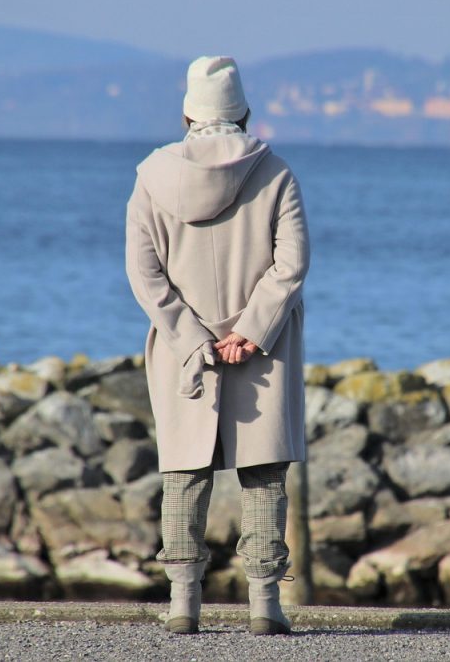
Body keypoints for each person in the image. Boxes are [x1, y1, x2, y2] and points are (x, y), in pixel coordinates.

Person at [124, 56, 310, 636]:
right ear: (245, 113)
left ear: (187, 115)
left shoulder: (152, 176)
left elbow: (145, 273)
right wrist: (250, 331)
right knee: (264, 473)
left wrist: (191, 336)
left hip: (186, 350)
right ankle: (265, 607)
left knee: (185, 473)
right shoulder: (275, 172)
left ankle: (183, 604)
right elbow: (291, 264)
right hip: (264, 348)